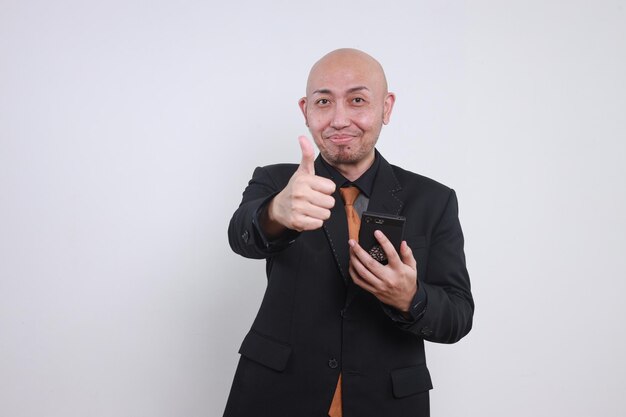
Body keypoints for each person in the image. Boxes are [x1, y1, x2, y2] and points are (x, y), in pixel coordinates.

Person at [223, 48, 474, 417]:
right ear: (305, 110)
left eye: (357, 100)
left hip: (386, 403)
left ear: (386, 108)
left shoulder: (434, 200)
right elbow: (241, 235)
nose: (339, 119)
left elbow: (458, 314)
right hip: (275, 396)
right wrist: (277, 211)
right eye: (324, 102)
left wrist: (411, 297)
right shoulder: (278, 181)